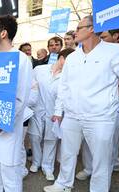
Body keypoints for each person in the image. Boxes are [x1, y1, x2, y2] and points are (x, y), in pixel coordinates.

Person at [44, 15, 119, 192]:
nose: (75, 31)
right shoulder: (73, 57)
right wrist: (59, 110)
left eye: (79, 28)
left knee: (101, 159)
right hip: (72, 115)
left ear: (91, 29)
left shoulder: (113, 51)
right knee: (67, 153)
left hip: (100, 117)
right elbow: (64, 86)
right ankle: (63, 183)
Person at [0, 15, 32, 192]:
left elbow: (20, 98)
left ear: (3, 33)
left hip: (7, 129)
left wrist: (1, 124)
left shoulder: (21, 59)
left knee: (10, 177)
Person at [28, 48, 75, 181]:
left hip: (54, 112)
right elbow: (30, 86)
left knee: (51, 139)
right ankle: (36, 162)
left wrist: (59, 112)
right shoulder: (39, 69)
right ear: (61, 58)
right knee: (34, 137)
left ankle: (47, 166)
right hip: (36, 110)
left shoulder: (67, 77)